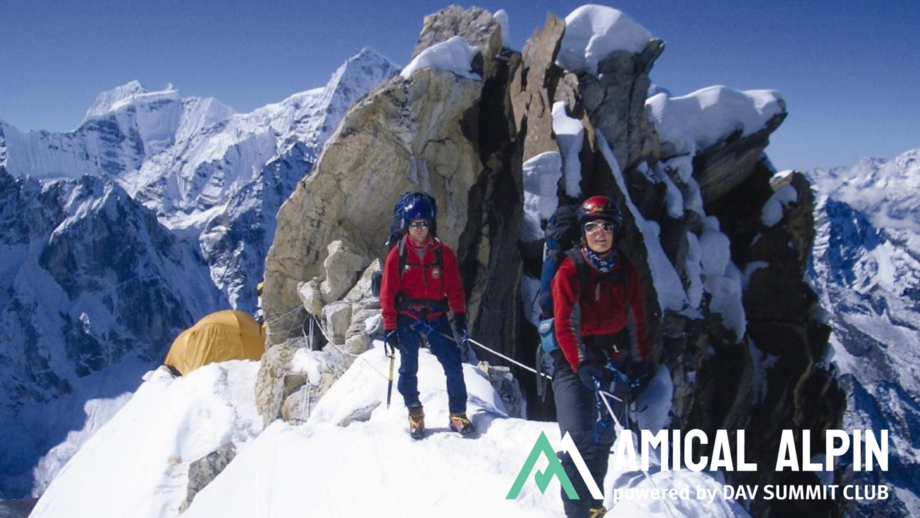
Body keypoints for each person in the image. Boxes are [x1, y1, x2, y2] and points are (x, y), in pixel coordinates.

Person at [551, 195, 649, 518]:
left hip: (612, 359)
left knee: (602, 437)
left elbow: (636, 317)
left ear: (614, 230)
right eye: (592, 227)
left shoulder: (624, 270)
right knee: (576, 439)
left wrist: (639, 361)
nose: (600, 233)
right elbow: (565, 322)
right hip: (573, 361)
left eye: (606, 226)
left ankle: (593, 505)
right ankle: (575, 512)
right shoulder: (570, 268)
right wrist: (581, 363)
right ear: (583, 232)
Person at [379, 195, 475, 438]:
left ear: (430, 224)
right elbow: (387, 293)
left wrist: (460, 316)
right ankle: (415, 413)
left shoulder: (443, 254)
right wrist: (390, 326)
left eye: (423, 224)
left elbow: (454, 288)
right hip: (407, 316)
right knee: (408, 368)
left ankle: (458, 413)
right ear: (407, 226)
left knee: (453, 365)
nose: (419, 229)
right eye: (414, 224)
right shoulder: (397, 255)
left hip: (435, 314)